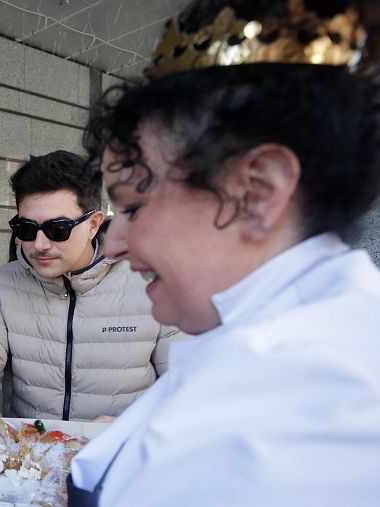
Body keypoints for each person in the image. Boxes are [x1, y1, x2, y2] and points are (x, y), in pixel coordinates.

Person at [67, 0, 380, 505]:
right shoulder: (277, 338)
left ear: (256, 191)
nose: (115, 244)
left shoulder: (302, 421)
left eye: (135, 205)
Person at [0, 150, 182, 460]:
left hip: (124, 461)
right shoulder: (3, 284)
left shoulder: (151, 282)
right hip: (31, 464)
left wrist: (131, 427)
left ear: (94, 224)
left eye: (58, 229)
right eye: (26, 230)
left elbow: (189, 383)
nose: (39, 245)